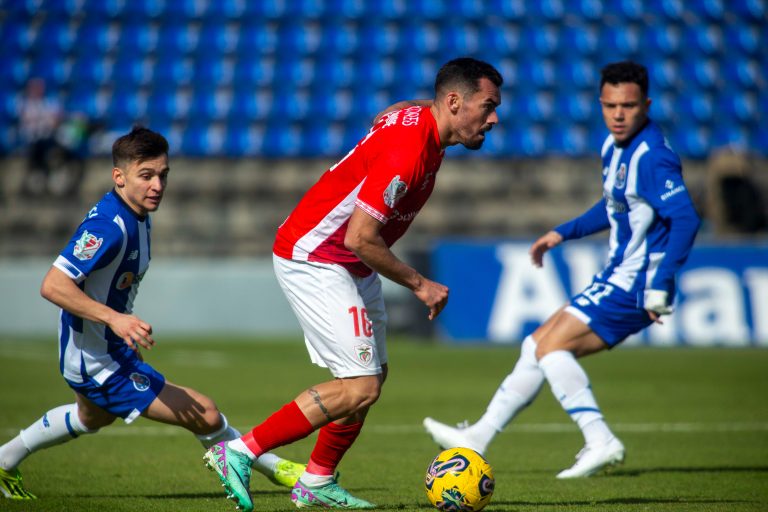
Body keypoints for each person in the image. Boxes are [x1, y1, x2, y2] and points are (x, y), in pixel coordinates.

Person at [203, 57, 503, 512]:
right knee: (360, 386)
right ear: (455, 102)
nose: (495, 118)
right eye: (488, 106)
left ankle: (317, 480)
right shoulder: (409, 153)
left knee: (372, 378)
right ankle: (239, 451)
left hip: (350, 263)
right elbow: (359, 237)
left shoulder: (422, 119)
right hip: (317, 255)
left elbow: (389, 112)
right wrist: (420, 284)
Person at [423, 60, 701, 478]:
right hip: (618, 274)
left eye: (627, 105)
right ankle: (477, 437)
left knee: (551, 348)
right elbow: (615, 206)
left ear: (645, 104)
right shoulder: (614, 146)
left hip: (639, 282)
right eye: (609, 106)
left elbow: (685, 219)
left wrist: (661, 283)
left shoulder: (653, 155)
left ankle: (600, 439)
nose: (618, 115)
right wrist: (563, 233)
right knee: (535, 346)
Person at [0, 127, 304, 501]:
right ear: (119, 177)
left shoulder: (137, 214)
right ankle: (279, 470)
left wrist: (120, 327)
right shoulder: (107, 227)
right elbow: (53, 285)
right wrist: (115, 320)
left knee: (90, 418)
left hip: (106, 350)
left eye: (163, 175)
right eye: (146, 175)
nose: (157, 184)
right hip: (96, 361)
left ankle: (4, 461)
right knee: (205, 413)